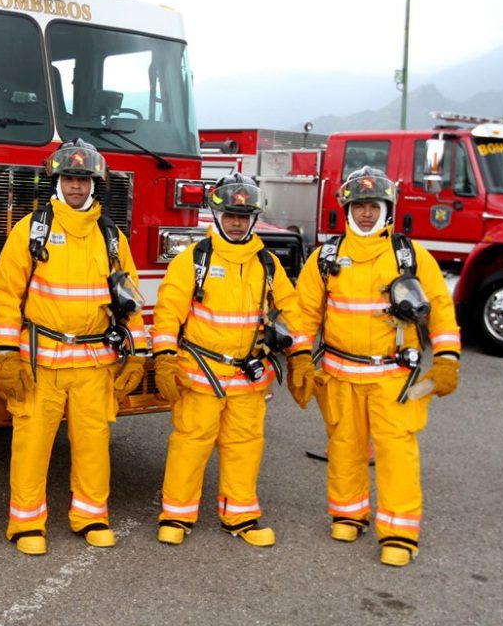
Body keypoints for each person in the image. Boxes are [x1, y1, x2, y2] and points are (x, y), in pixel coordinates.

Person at [294, 165, 461, 567]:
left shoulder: (410, 255)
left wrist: (447, 358)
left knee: (396, 454)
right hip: (339, 376)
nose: (366, 213)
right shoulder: (327, 257)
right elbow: (303, 315)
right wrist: (299, 355)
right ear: (346, 209)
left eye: (373, 205)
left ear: (387, 208)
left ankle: (399, 533)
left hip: (393, 379)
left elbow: (439, 308)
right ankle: (348, 514)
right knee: (345, 449)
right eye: (359, 206)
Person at [0, 139, 149, 555]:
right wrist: (5, 355)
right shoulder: (32, 229)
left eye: (82, 179)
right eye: (69, 178)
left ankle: (91, 516)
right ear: (56, 181)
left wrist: (139, 353)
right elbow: (6, 297)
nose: (76, 186)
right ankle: (25, 524)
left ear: (94, 183)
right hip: (40, 361)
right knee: (32, 444)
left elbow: (129, 298)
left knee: (94, 444)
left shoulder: (111, 238)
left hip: (95, 364)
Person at [150, 172, 311, 547]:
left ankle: (240, 516)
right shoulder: (194, 260)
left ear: (253, 218)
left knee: (245, 447)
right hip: (201, 376)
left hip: (248, 381)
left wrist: (301, 355)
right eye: (230, 215)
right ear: (217, 214)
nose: (237, 222)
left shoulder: (267, 265)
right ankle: (176, 516)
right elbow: (168, 314)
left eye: (244, 216)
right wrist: (164, 358)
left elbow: (291, 313)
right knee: (190, 445)